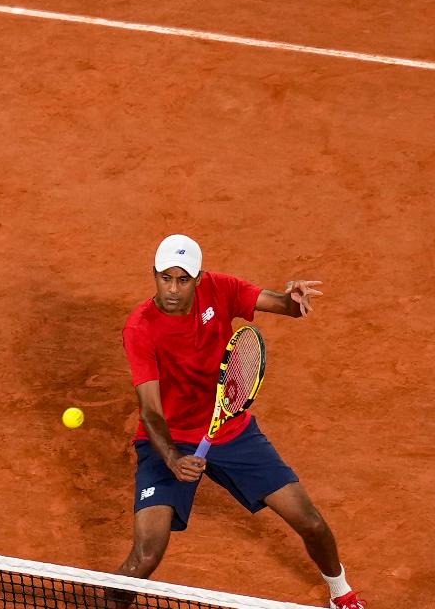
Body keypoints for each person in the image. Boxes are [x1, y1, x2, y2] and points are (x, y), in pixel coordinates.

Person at [116, 233, 367, 609]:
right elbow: (150, 410)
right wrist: (172, 459)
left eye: (183, 279)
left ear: (199, 280)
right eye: (165, 277)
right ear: (153, 274)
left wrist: (293, 301)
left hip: (230, 429)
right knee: (146, 556)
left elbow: (285, 306)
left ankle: (341, 593)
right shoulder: (140, 327)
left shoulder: (221, 289)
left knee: (310, 521)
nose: (172, 288)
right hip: (172, 440)